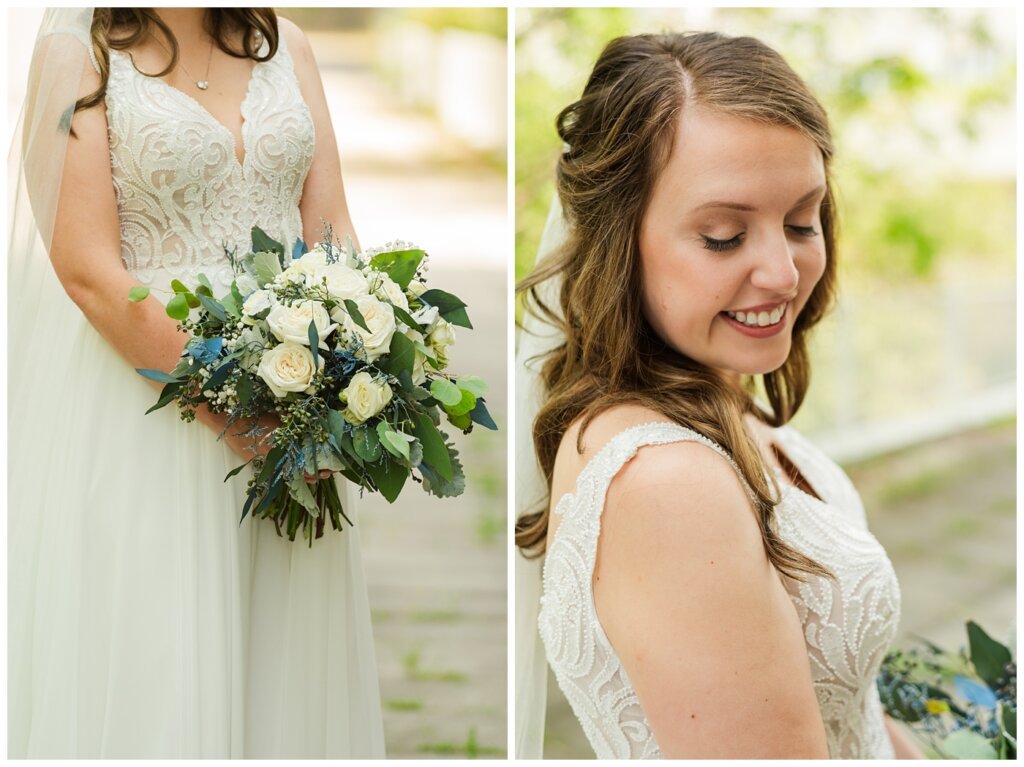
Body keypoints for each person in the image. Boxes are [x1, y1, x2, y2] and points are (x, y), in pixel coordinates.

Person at [514, 31, 925, 759]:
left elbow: (847, 712)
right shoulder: (668, 483)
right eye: (725, 236)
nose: (783, 272)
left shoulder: (721, 409)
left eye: (802, 220)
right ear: (618, 241)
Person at [9, 8, 384, 757]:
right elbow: (88, 272)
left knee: (284, 658)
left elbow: (331, 225)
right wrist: (235, 414)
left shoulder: (288, 44)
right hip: (150, 412)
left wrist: (351, 368)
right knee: (161, 658)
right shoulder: (73, 57)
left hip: (295, 406)